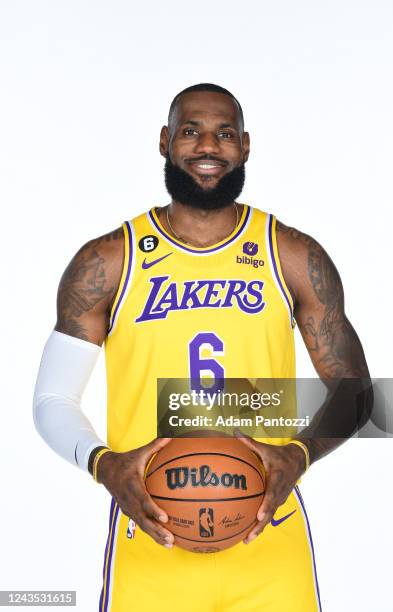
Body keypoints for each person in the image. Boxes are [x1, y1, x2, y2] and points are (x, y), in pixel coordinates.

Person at [33, 83, 371, 611]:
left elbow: (356, 391)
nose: (208, 146)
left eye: (225, 133)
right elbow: (53, 400)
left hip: (268, 537)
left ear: (246, 146)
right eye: (191, 131)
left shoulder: (292, 256)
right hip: (150, 539)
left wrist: (297, 455)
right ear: (165, 140)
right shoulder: (108, 262)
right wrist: (105, 465)